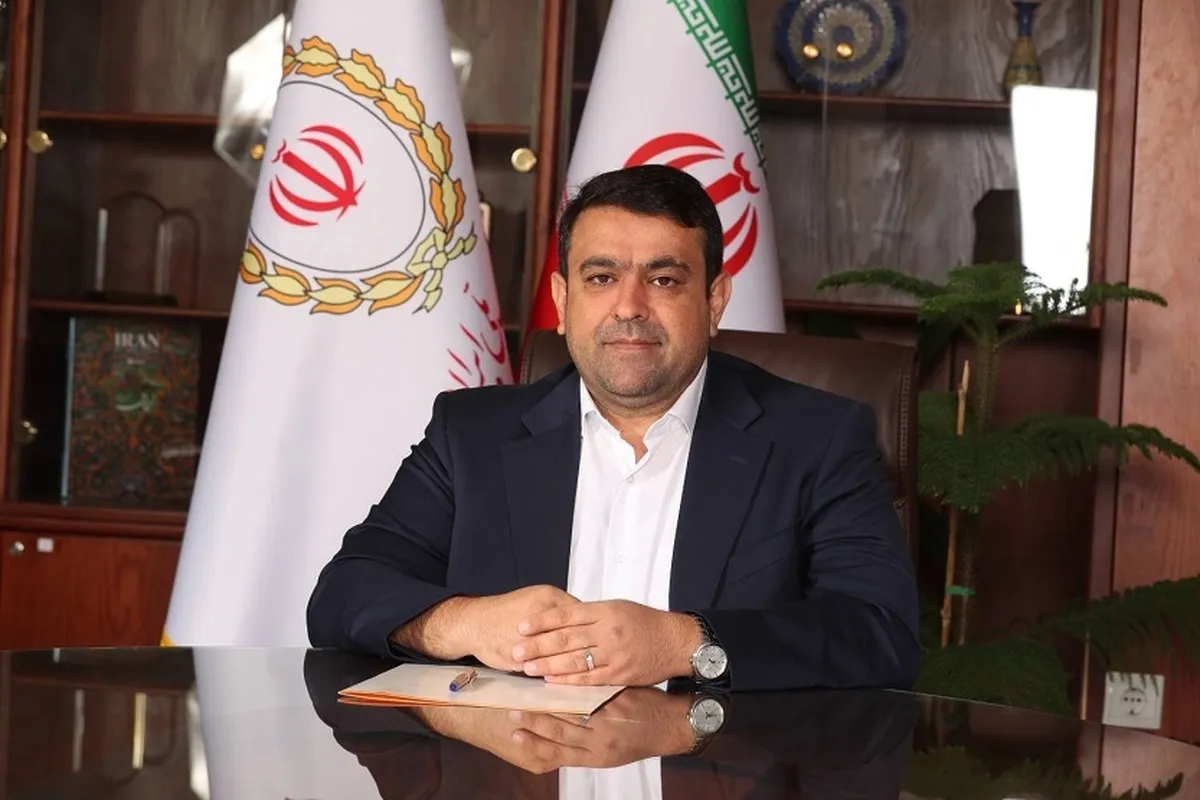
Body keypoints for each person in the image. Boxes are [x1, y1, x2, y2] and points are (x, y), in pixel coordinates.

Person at [306, 163, 921, 691]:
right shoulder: (470, 435)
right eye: (601, 278)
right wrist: (468, 624)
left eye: (663, 279)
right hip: (514, 765)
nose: (629, 307)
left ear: (714, 302)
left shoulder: (816, 438)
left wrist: (684, 643)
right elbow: (343, 593)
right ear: (562, 299)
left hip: (713, 765)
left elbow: (879, 631)